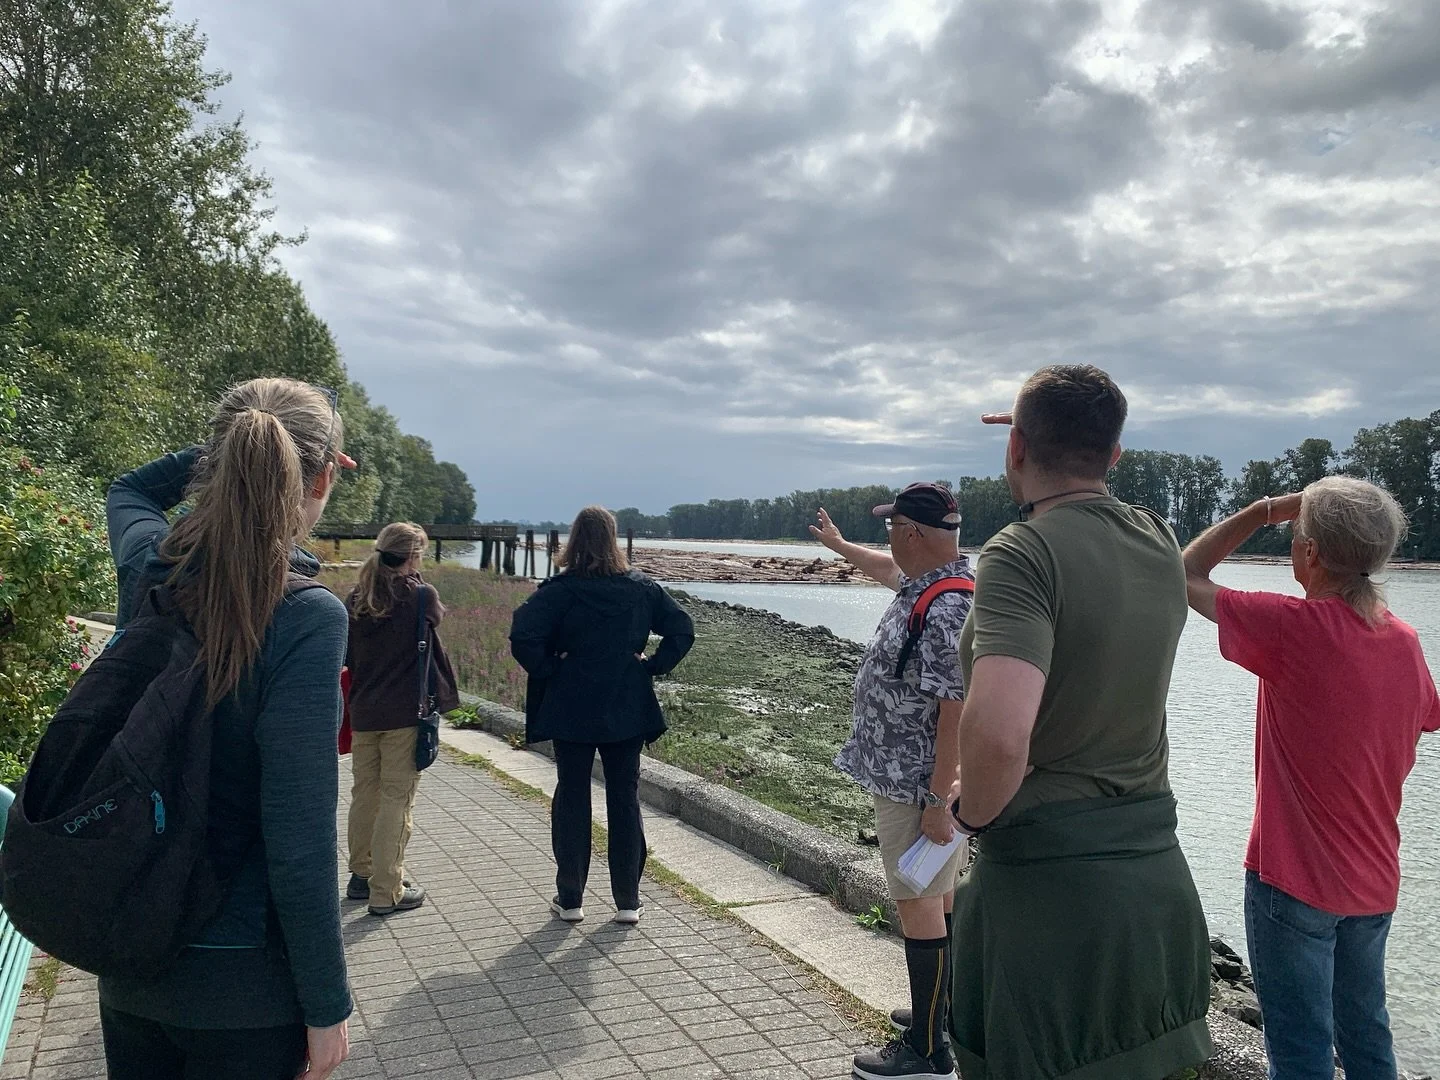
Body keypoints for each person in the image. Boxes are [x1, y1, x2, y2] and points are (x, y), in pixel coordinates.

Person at [949, 364, 1213, 1079]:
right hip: (1155, 887)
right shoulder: (1156, 537)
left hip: (1051, 903)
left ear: (1015, 448)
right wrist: (1046, 428)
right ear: (1115, 455)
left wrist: (968, 814)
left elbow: (1000, 734)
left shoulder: (1021, 551)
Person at [99, 378, 353, 1080]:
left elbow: (131, 488)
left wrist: (241, 440)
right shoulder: (307, 616)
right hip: (246, 987)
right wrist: (326, 1003)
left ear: (216, 461)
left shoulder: (149, 564)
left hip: (130, 955)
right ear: (322, 480)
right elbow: (299, 833)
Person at [1182, 478, 1440, 1080]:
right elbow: (1428, 714)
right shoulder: (1403, 640)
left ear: (1311, 553)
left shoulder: (1291, 627)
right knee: (1368, 1038)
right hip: (1374, 883)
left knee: (1300, 1054)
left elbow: (1183, 572)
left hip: (1293, 881)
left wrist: (1264, 510)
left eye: (1298, 536)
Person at [810, 484, 973, 1080]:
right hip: (913, 779)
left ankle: (927, 1052)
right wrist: (840, 545)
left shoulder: (946, 606)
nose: (888, 539)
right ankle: (938, 1014)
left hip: (915, 784)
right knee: (940, 898)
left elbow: (954, 706)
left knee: (917, 902)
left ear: (914, 533)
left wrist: (935, 800)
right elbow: (884, 568)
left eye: (891, 527)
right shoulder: (932, 583)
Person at [509, 506, 694, 925]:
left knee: (572, 795)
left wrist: (550, 667)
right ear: (613, 540)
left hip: (571, 704)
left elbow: (523, 634)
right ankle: (628, 900)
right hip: (626, 704)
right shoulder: (641, 588)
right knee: (624, 797)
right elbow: (682, 629)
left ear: (574, 540)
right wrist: (652, 665)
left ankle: (570, 897)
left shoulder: (559, 590)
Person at [343, 522, 459, 917]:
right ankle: (386, 889)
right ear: (412, 557)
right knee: (396, 799)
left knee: (365, 794)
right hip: (404, 714)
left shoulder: (356, 598)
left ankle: (360, 875)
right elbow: (436, 618)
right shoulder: (420, 595)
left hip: (363, 712)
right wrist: (416, 579)